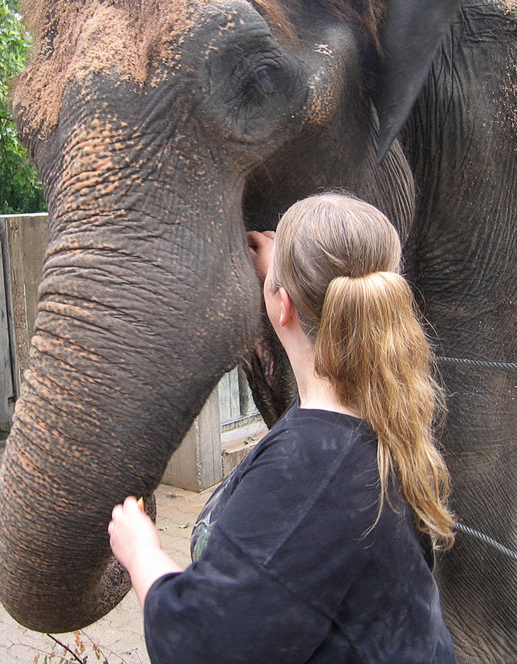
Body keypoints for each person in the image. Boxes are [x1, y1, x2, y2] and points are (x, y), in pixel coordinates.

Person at [108, 191, 457, 663]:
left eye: (271, 282)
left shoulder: (308, 473)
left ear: (281, 305)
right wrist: (286, 267)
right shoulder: (387, 417)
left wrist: (140, 552)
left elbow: (202, 644)